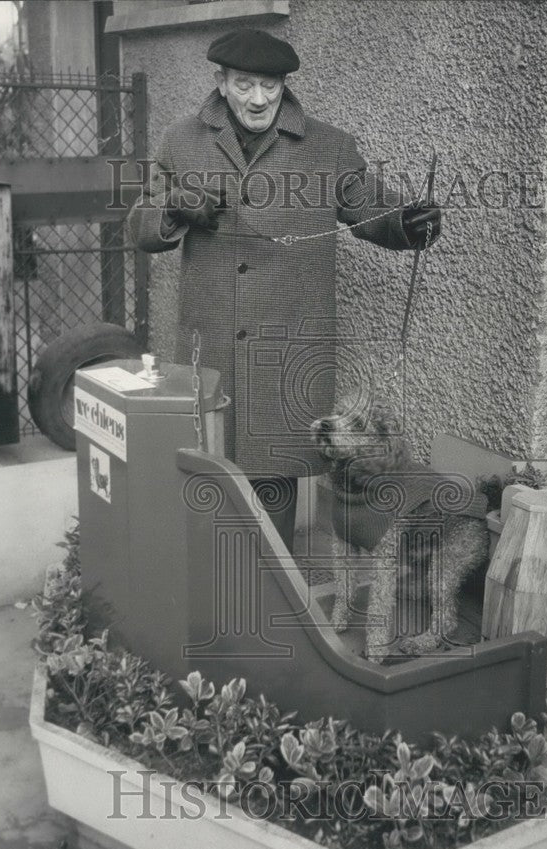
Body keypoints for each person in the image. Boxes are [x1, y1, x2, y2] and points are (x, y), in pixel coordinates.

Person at [128, 27, 441, 550]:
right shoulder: (180, 141)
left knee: (273, 481)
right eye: (245, 84)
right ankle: (212, 597)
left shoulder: (329, 146)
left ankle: (271, 599)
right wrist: (176, 206)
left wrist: (408, 223)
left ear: (284, 85)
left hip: (287, 348)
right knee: (209, 471)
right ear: (221, 81)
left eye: (269, 86)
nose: (258, 99)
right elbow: (140, 228)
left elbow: (370, 208)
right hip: (215, 342)